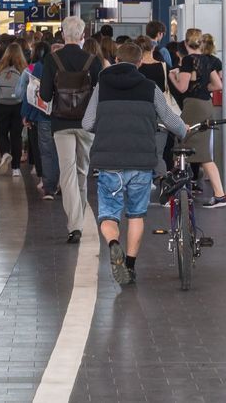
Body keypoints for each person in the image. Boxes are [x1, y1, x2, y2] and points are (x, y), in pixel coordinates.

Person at [83, 42, 188, 286]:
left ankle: (113, 244)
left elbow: (87, 123)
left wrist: (107, 126)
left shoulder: (102, 86)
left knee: (109, 214)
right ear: (140, 63)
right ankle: (129, 267)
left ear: (116, 59)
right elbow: (171, 121)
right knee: (136, 215)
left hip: (109, 162)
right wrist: (184, 130)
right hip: (141, 161)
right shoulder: (149, 87)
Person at [40, 15, 103, 244]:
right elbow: (100, 93)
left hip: (61, 124)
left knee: (67, 174)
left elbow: (46, 95)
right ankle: (80, 221)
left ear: (63, 34)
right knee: (82, 173)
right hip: (87, 124)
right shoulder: (93, 60)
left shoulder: (52, 59)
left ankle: (74, 225)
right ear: (83, 36)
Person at [168, 29, 226, 208]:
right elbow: (218, 85)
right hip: (206, 104)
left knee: (181, 145)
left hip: (193, 105)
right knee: (202, 152)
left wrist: (173, 76)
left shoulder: (188, 60)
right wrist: (202, 88)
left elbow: (182, 87)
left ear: (186, 44)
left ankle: (178, 191)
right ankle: (219, 195)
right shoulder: (208, 60)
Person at [18, 41, 60, 199]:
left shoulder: (38, 67)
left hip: (44, 116)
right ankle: (63, 184)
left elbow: (32, 94)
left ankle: (49, 187)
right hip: (67, 117)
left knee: (47, 152)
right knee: (65, 153)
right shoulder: (71, 65)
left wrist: (26, 115)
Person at [0, 43, 28, 176]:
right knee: (16, 136)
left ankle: (5, 153)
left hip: (1, 104)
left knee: (1, 132)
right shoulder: (24, 68)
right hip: (18, 104)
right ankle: (16, 169)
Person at [135, 35, 169, 176]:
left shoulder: (136, 67)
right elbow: (167, 88)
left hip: (139, 113)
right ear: (153, 47)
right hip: (159, 112)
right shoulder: (163, 66)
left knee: (140, 151)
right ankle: (164, 187)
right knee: (158, 154)